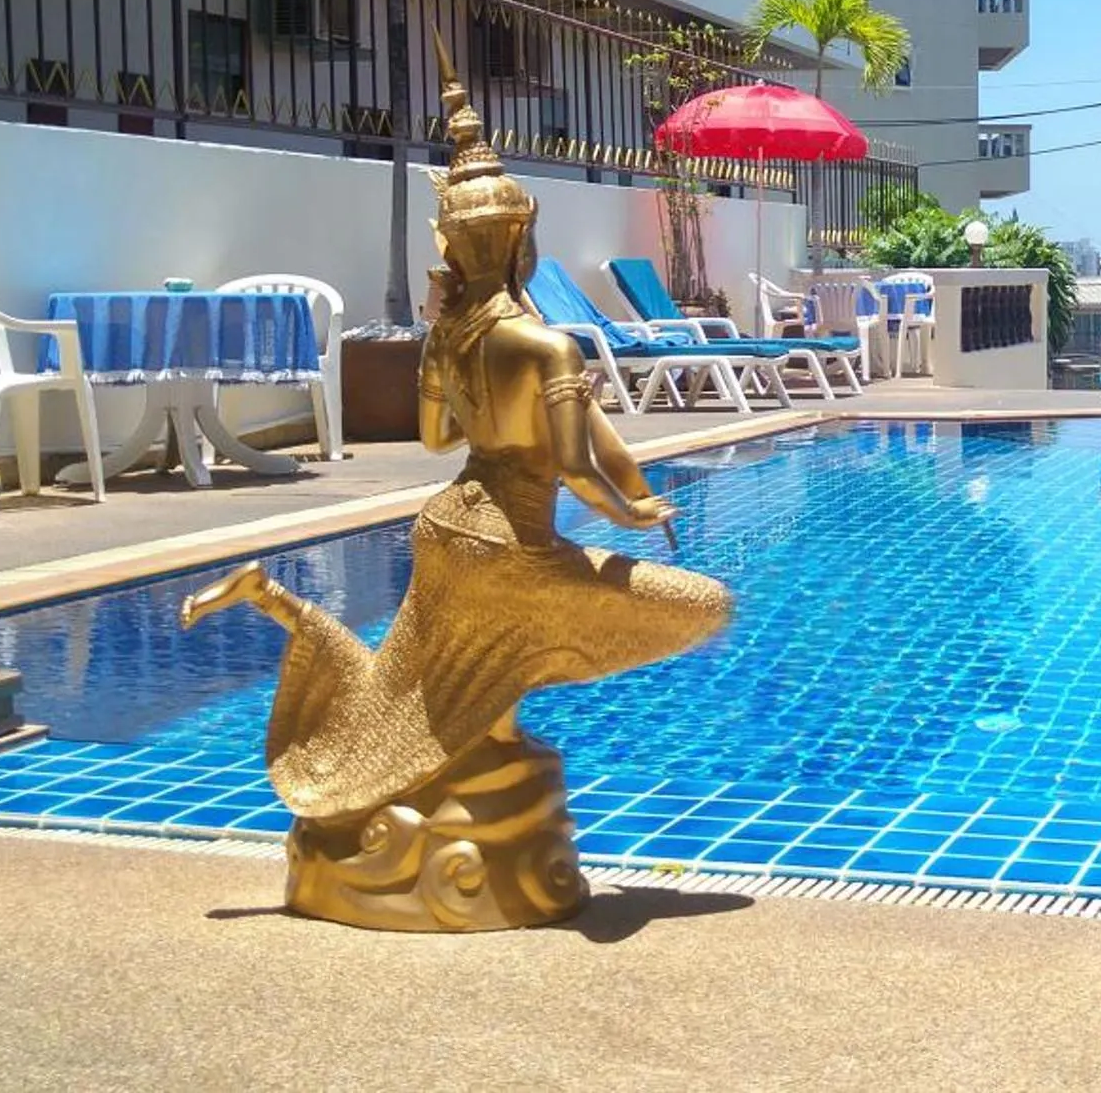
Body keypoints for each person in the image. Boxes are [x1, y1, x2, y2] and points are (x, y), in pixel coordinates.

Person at [181, 80, 731, 931]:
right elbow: (574, 464)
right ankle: (304, 623)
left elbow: (439, 437)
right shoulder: (546, 343)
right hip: (510, 542)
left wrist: (628, 486)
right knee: (697, 605)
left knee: (470, 672)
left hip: (447, 527)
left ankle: (287, 607)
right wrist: (625, 517)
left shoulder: (457, 336)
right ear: (522, 240)